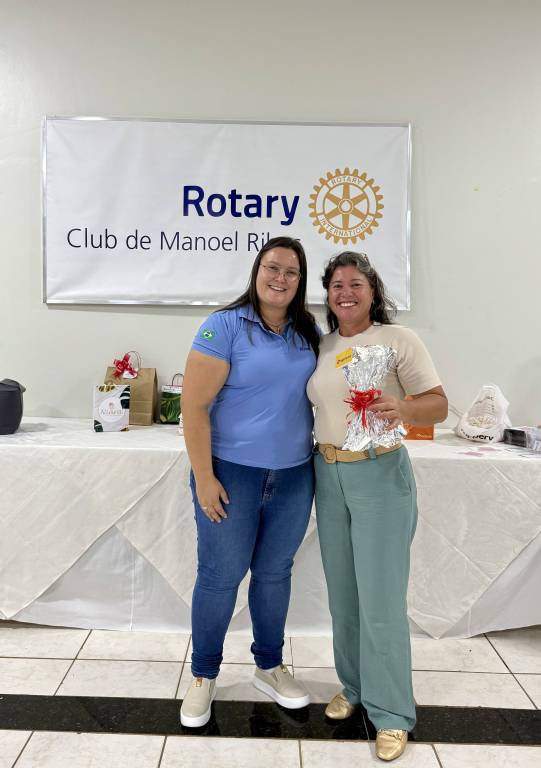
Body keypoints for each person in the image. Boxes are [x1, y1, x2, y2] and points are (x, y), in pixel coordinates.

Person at [307, 251, 448, 761]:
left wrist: (405, 407)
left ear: (373, 292)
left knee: (381, 600)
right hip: (328, 473)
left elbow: (438, 404)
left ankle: (391, 712)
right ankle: (356, 686)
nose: (346, 293)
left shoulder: (397, 339)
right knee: (343, 595)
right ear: (327, 295)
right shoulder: (322, 345)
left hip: (379, 473)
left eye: (356, 284)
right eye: (337, 285)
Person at [179, 236, 319, 728]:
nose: (280, 278)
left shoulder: (307, 332)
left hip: (294, 476)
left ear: (300, 282)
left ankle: (269, 666)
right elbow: (194, 407)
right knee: (220, 576)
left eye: (291, 272)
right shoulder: (224, 326)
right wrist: (204, 477)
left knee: (275, 574)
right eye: (272, 268)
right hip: (230, 474)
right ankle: (203, 675)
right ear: (256, 272)